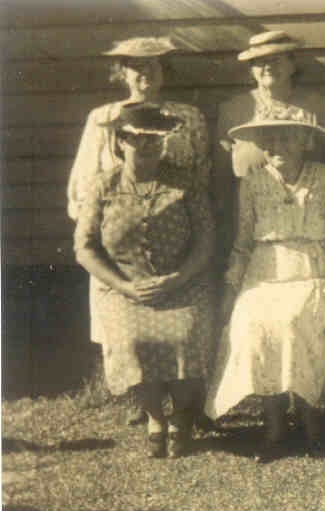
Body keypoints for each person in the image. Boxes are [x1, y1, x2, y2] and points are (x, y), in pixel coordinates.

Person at [67, 36, 209, 426]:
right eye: (136, 65)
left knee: (182, 323)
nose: (145, 73)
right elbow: (84, 179)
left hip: (175, 227)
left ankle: (184, 407)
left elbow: (201, 172)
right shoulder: (103, 116)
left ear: (165, 71)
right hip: (118, 238)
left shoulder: (189, 116)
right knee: (128, 331)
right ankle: (145, 406)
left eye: (154, 65)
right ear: (122, 72)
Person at [205, 109, 325, 463]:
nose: (278, 146)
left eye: (287, 137)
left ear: (304, 141)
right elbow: (243, 242)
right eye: (270, 139)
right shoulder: (251, 185)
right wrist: (232, 288)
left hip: (312, 268)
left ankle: (311, 420)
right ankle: (275, 424)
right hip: (264, 271)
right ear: (262, 146)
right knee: (254, 323)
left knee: (296, 322)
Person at [215, 31, 325, 262]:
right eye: (259, 62)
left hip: (310, 221)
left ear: (293, 64)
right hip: (249, 219)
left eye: (276, 60)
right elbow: (221, 176)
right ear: (251, 69)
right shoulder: (233, 110)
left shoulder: (320, 106)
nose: (268, 67)